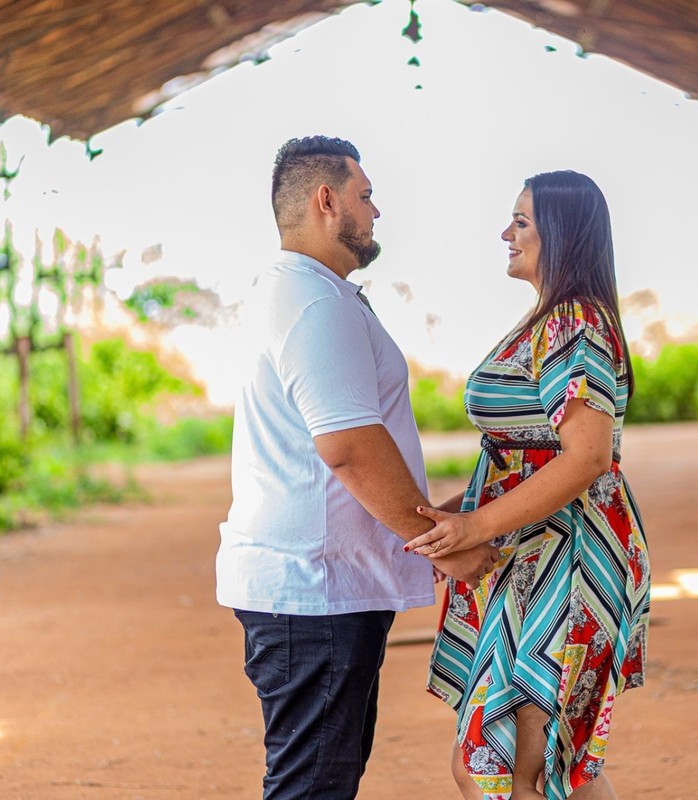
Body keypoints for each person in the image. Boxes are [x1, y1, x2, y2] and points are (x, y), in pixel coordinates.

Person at [216, 135, 500, 800]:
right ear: (326, 200)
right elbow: (346, 445)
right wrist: (439, 542)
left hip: (316, 588)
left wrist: (437, 513)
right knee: (312, 788)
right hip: (311, 592)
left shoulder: (304, 294)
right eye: (365, 196)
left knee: (323, 781)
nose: (377, 212)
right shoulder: (316, 305)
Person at [406, 170, 651, 800]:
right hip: (531, 558)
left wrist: (476, 526)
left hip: (568, 560)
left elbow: (587, 457)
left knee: (517, 769)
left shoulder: (575, 324)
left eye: (521, 223)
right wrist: (458, 513)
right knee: (538, 771)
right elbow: (524, 451)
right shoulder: (548, 319)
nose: (505, 235)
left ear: (561, 235)